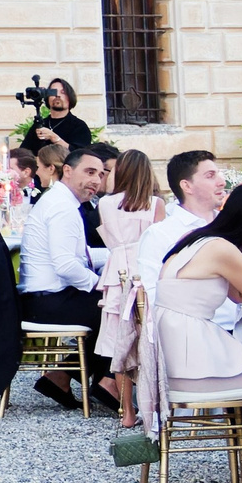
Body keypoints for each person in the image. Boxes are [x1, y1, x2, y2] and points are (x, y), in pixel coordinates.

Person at [138, 185, 242, 483]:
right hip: (188, 355)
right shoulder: (222, 250)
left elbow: (238, 295)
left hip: (172, 351)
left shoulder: (198, 239)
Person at [18, 145, 120, 413]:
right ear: (67, 170)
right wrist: (100, 285)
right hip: (47, 301)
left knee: (113, 303)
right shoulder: (62, 207)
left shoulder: (62, 201)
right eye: (89, 172)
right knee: (117, 308)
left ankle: (60, 377)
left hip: (46, 296)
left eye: (100, 174)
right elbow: (66, 266)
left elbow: (79, 255)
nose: (96, 180)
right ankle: (107, 382)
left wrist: (119, 254)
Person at [93, 152, 165, 421]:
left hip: (117, 273)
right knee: (149, 336)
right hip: (145, 269)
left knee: (119, 341)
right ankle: (154, 406)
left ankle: (127, 410)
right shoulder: (155, 204)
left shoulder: (105, 204)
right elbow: (160, 242)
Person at [136, 150, 228, 292]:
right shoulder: (159, 234)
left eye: (219, 174)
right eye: (210, 176)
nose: (222, 182)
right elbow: (150, 291)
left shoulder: (231, 225)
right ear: (187, 186)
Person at [23, 78, 93, 152]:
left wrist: (54, 138)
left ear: (70, 97)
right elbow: (23, 153)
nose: (57, 95)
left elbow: (80, 155)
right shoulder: (40, 125)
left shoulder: (79, 126)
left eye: (63, 92)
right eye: (53, 92)